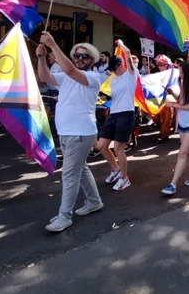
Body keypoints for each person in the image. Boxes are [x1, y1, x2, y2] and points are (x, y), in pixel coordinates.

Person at [36, 32, 104, 232]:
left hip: (80, 133)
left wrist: (53, 44)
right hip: (67, 132)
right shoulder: (67, 76)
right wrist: (41, 58)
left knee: (69, 175)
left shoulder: (93, 77)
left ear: (92, 61)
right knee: (80, 170)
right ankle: (94, 201)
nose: (80, 59)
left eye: (84, 56)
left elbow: (71, 70)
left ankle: (65, 216)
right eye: (77, 55)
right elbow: (45, 76)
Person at [97, 41, 138, 191]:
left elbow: (127, 54)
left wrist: (121, 44)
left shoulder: (131, 74)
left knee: (119, 149)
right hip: (113, 113)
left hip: (126, 113)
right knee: (102, 146)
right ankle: (115, 169)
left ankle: (125, 178)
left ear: (121, 65)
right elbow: (114, 97)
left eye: (114, 68)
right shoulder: (113, 79)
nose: (112, 72)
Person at [161, 61, 189, 195]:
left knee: (182, 153)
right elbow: (182, 100)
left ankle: (173, 184)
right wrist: (173, 94)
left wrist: (173, 106)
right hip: (183, 123)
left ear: (187, 72)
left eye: (181, 72)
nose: (179, 74)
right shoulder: (185, 83)